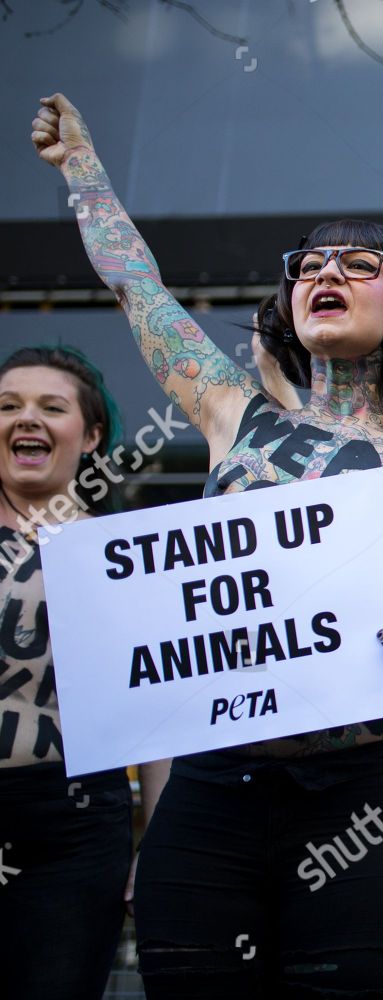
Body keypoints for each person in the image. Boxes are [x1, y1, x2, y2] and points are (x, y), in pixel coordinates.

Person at [34, 92, 383, 998]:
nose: (325, 271)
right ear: (288, 302)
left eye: (357, 263)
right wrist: (82, 169)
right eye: (307, 264)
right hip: (215, 793)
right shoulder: (232, 419)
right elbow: (139, 287)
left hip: (366, 802)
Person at [0, 345, 171, 1000]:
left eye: (51, 406)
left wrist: (154, 844)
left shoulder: (127, 555)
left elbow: (158, 712)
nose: (26, 420)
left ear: (92, 433)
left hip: (76, 826)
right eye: (8, 406)